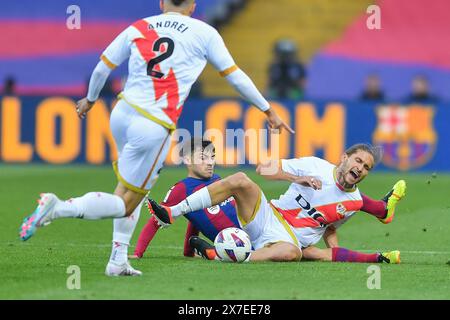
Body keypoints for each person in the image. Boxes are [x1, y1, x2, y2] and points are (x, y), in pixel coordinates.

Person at [18, 0, 292, 277]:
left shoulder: (140, 26)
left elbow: (102, 67)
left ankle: (118, 260)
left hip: (122, 113)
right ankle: (59, 207)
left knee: (133, 190)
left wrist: (90, 100)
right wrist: (268, 110)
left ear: (162, 2)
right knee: (126, 201)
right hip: (154, 123)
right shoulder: (204, 32)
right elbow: (235, 77)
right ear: (194, 6)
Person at [148, 143, 407, 263]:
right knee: (240, 179)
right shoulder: (314, 166)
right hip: (267, 215)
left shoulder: (354, 202)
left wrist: (332, 253)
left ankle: (229, 257)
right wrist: (299, 178)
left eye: (366, 167)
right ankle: (173, 211)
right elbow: (264, 168)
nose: (360, 168)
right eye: (358, 161)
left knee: (292, 254)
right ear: (344, 158)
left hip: (286, 241)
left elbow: (329, 227)